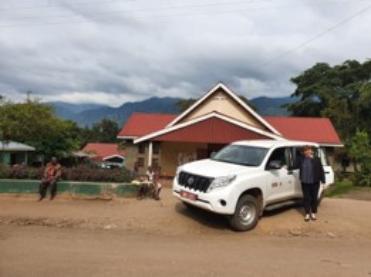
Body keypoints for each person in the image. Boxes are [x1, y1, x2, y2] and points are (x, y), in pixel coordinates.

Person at [298, 146, 325, 222]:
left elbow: (321, 170)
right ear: (304, 152)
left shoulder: (316, 159)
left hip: (314, 182)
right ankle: (307, 214)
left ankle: (313, 213)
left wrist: (323, 181)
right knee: (306, 198)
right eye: (306, 150)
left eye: (309, 150)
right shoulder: (301, 159)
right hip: (305, 182)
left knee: (314, 198)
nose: (307, 152)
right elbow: (295, 163)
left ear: (312, 151)